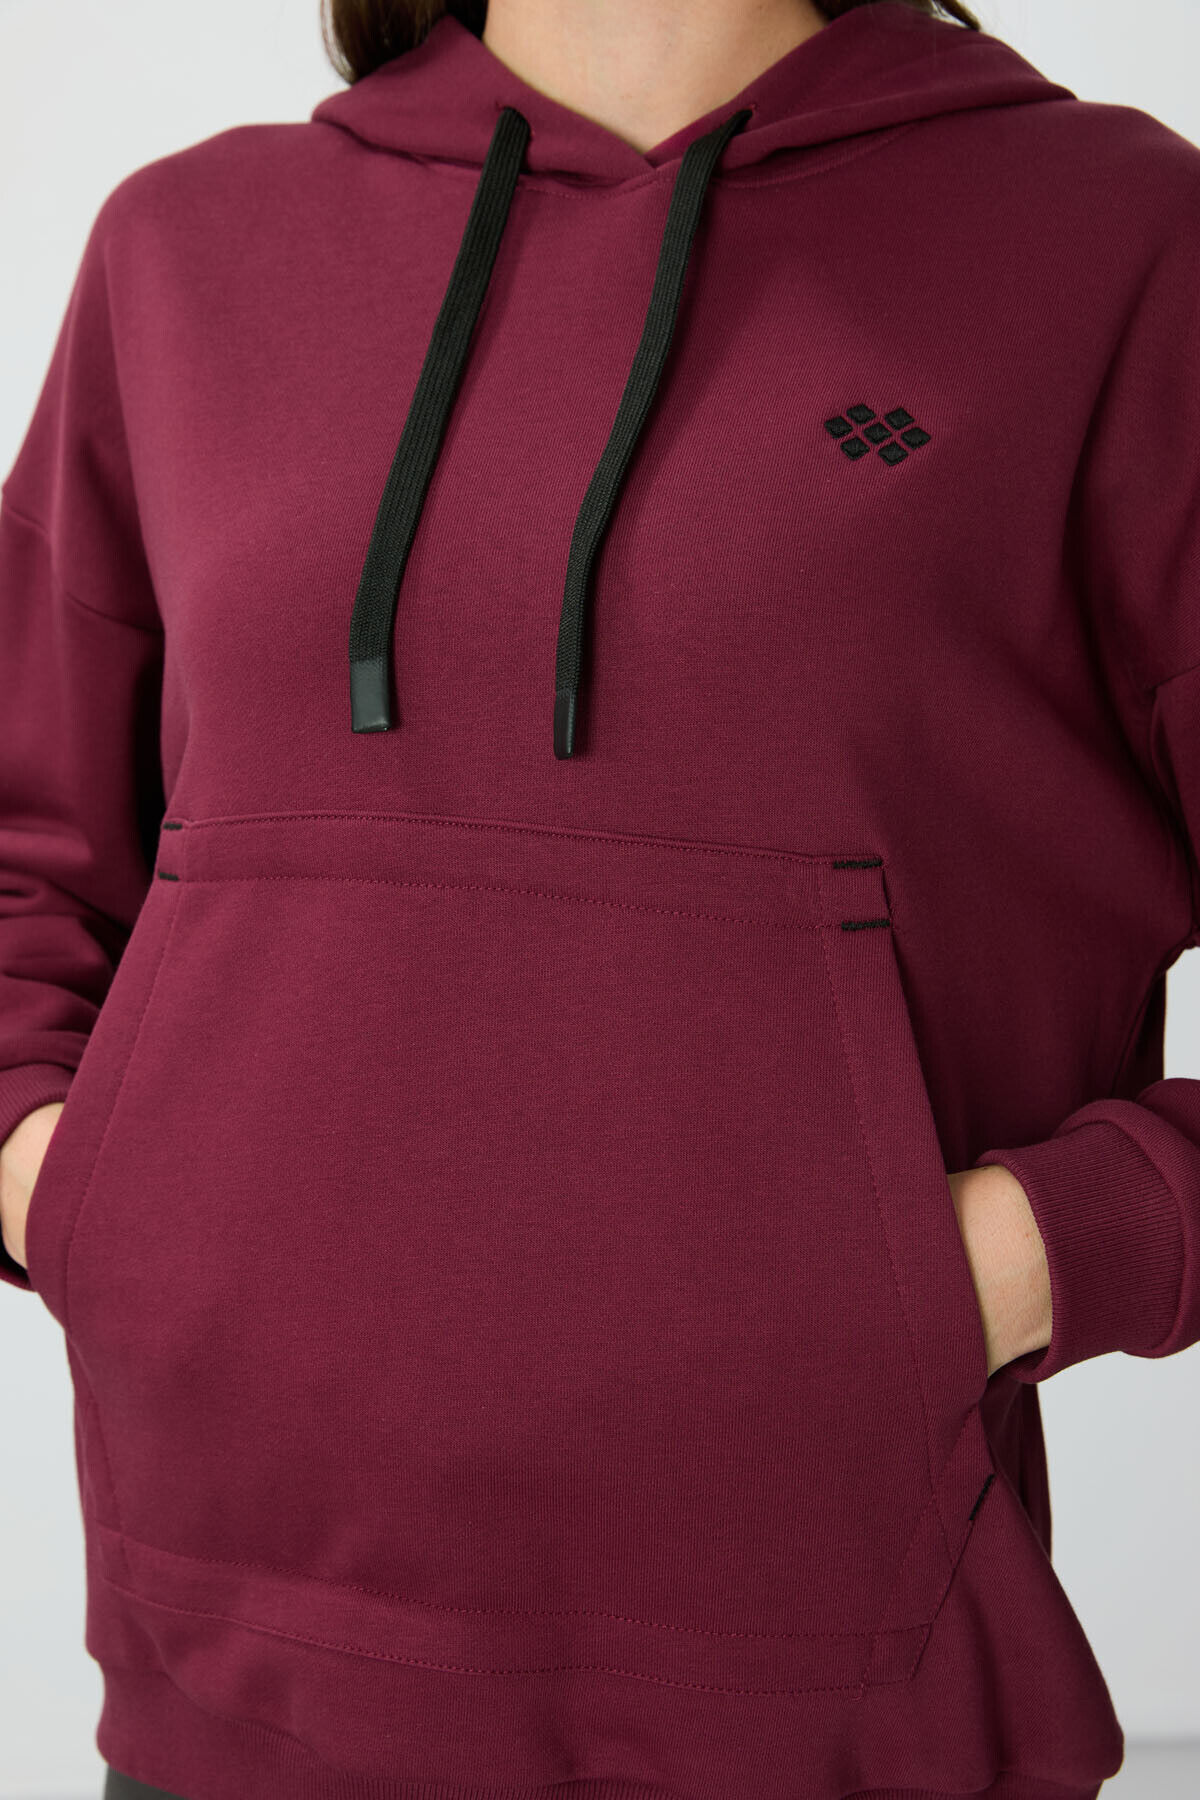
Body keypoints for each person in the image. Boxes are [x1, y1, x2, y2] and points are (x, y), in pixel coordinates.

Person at [2, 0, 1198, 1793]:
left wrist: (1018, 1258)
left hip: (827, 1694)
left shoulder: (1124, 247)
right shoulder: (188, 249)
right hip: (232, 1673)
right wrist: (91, 1192)